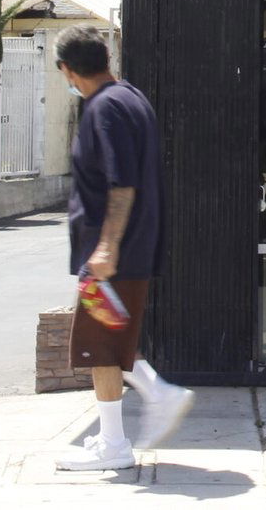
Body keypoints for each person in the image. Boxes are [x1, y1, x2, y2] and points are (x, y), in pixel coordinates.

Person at [52, 29, 194, 472]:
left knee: (101, 348)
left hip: (113, 253)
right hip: (124, 249)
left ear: (67, 70)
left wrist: (107, 248)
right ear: (106, 56)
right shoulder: (129, 97)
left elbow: (123, 182)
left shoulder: (105, 109)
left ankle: (116, 441)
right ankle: (147, 399)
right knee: (109, 341)